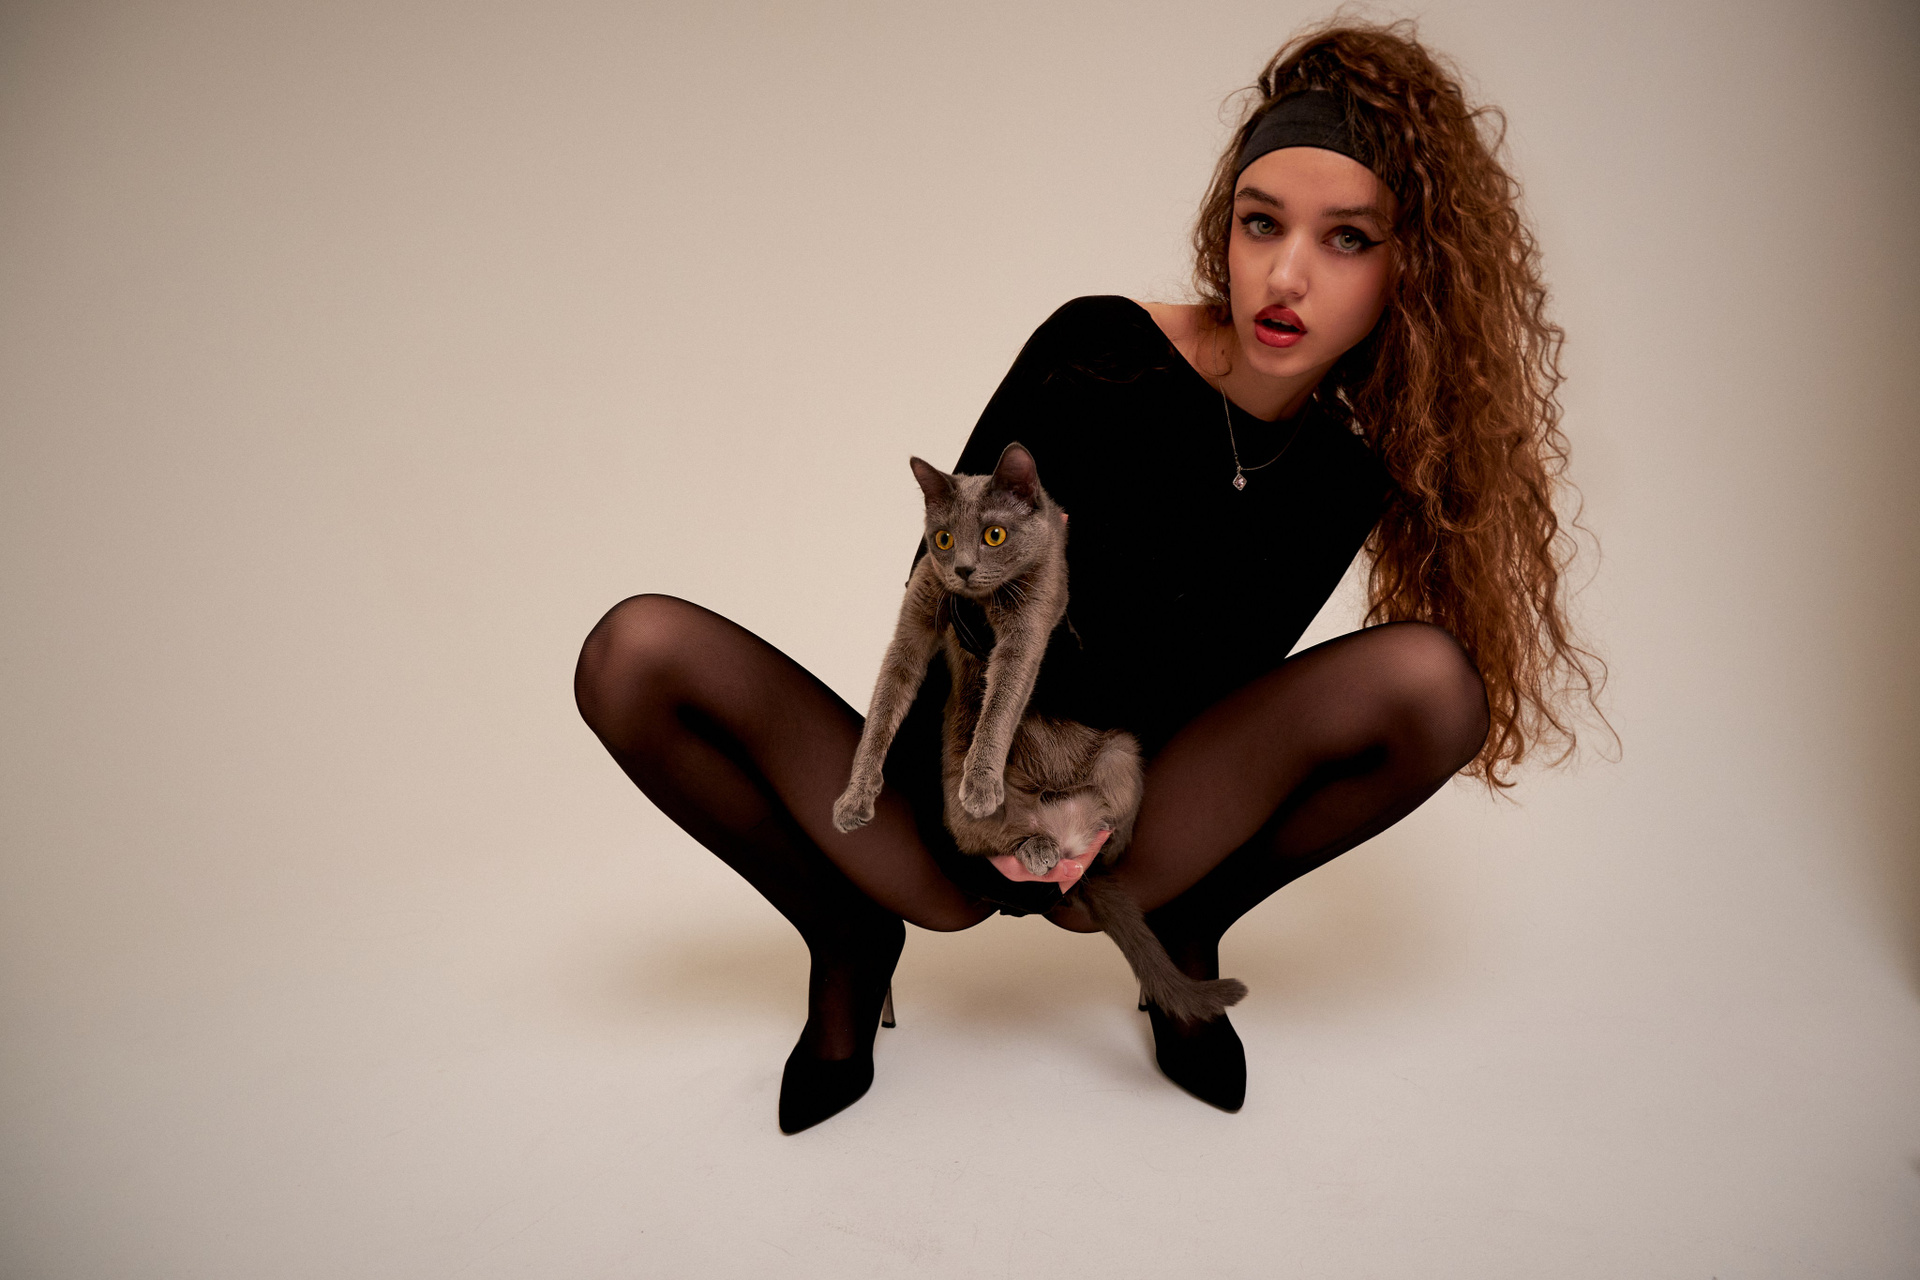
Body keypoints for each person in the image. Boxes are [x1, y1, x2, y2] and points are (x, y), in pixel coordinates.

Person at [573, 18, 1604, 1133]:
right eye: (1262, 222)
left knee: (1435, 685)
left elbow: (1223, 685)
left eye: (1347, 238)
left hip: (1125, 819)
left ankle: (1186, 921)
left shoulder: (1350, 468)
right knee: (633, 654)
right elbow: (938, 600)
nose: (1286, 273)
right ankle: (846, 932)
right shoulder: (1099, 350)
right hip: (950, 796)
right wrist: (994, 799)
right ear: (1227, 226)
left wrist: (1099, 825)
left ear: (1410, 267)